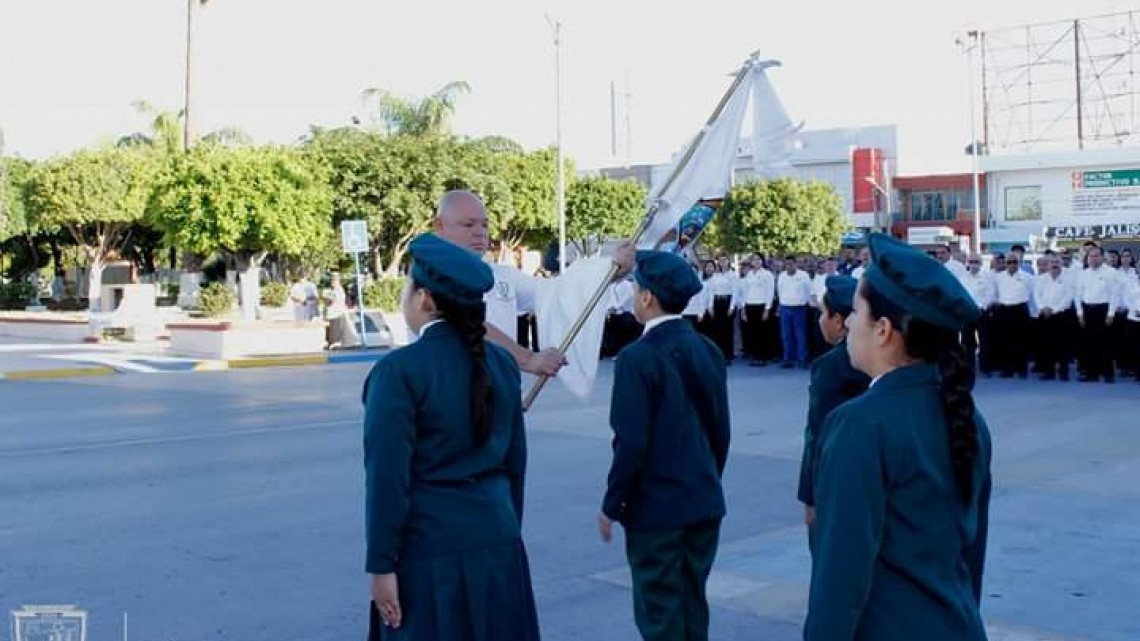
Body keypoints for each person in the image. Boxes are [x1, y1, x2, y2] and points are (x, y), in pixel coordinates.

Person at [804, 233, 993, 641]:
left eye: (856, 310)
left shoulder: (860, 424)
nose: (849, 322)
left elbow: (840, 574)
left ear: (884, 329)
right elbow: (970, 558)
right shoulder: (966, 416)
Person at [363, 233, 540, 641]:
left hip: (430, 550)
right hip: (497, 539)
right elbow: (516, 465)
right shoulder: (501, 363)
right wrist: (504, 528)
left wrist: (381, 565)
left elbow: (387, 480)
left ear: (424, 299)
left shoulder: (399, 371)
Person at [598, 250, 731, 641]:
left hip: (657, 510)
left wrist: (613, 504)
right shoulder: (708, 349)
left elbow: (631, 442)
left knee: (661, 615)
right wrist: (706, 477)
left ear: (647, 298)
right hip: (702, 499)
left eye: (635, 287)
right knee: (692, 606)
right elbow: (719, 431)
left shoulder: (636, 358)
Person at [432, 190, 635, 378]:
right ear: (439, 227)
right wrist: (529, 358)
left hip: (500, 396)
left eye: (484, 224)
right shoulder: (428, 276)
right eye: (468, 225)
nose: (480, 232)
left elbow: (557, 292)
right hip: (450, 397)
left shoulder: (503, 276)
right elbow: (464, 324)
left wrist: (610, 271)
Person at [796, 275, 870, 540]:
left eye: (823, 313)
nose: (820, 320)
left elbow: (817, 435)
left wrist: (810, 497)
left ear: (839, 321)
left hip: (838, 482)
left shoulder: (830, 367)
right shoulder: (879, 358)